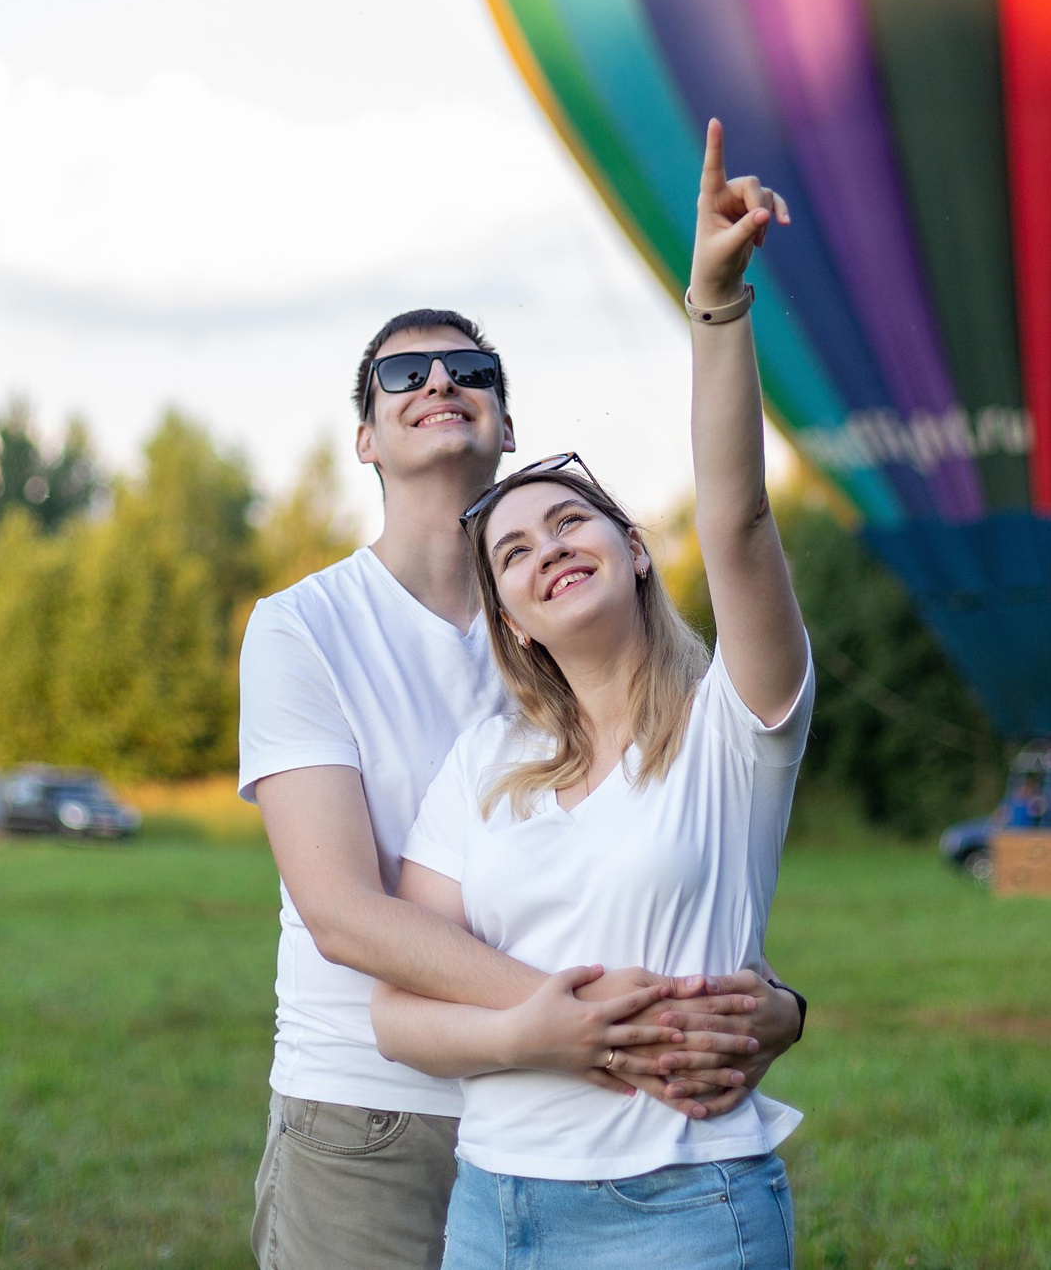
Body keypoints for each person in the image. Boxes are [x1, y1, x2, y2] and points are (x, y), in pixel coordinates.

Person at [238, 275, 807, 1260]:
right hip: (376, 1114)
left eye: (470, 369)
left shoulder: (638, 688)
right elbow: (341, 913)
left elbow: (738, 525)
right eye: (401, 373)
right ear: (364, 436)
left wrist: (770, 1004)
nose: (439, 382)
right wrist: (583, 1023)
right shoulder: (310, 632)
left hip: (619, 1140)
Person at [370, 122, 811, 1268]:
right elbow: (396, 1014)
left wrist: (715, 307)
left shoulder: (734, 727)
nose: (545, 549)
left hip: (682, 1211)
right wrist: (535, 1031)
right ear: (508, 615)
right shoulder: (483, 764)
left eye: (572, 521)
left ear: (635, 550)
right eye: (511, 553)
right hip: (494, 1212)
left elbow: (739, 517)